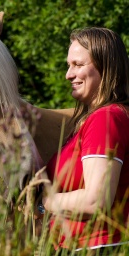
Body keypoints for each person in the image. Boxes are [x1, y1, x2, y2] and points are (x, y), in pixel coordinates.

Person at [37, 27, 129, 255]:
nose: (69, 74)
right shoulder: (93, 120)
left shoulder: (106, 118)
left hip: (98, 246)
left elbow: (96, 200)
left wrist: (46, 201)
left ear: (105, 66)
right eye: (69, 65)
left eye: (78, 65)